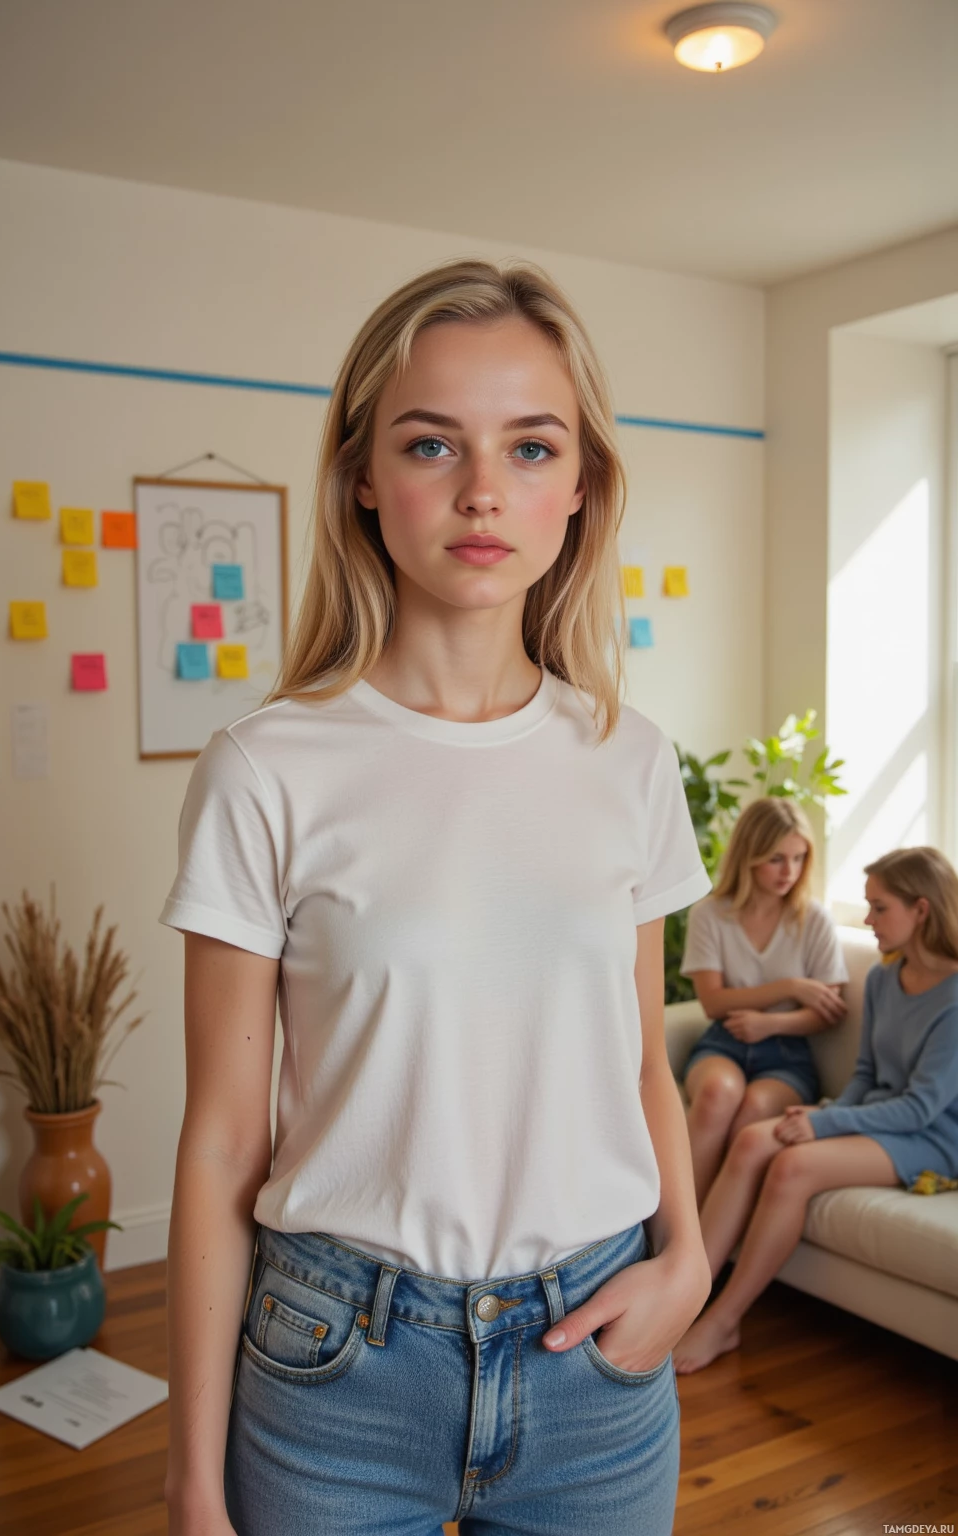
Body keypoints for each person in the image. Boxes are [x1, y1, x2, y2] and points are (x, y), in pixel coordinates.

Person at [159, 259, 713, 1536]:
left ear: (580, 487)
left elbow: (640, 1063)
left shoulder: (628, 759)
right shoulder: (264, 767)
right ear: (362, 473)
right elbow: (222, 1143)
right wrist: (190, 1482)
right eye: (430, 443)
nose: (480, 492)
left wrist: (685, 1262)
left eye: (530, 447)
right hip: (337, 1366)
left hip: (597, 1363)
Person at [673, 845, 958, 1374]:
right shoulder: (882, 978)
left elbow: (920, 1107)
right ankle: (684, 1296)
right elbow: (867, 1076)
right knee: (757, 1137)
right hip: (878, 1117)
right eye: (868, 906)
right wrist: (825, 1113)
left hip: (935, 1140)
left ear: (922, 910)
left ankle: (723, 1320)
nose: (868, 919)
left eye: (880, 907)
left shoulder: (955, 997)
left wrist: (824, 1123)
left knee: (793, 1164)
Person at [680, 798, 849, 1203]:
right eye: (776, 858)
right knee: (717, 1095)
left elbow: (828, 1011)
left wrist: (770, 1023)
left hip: (787, 1056)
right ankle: (675, 1233)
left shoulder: (814, 920)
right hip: (724, 1042)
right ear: (749, 855)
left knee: (754, 1109)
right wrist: (790, 986)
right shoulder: (710, 915)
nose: (789, 872)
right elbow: (713, 1003)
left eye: (798, 858)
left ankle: (707, 1243)